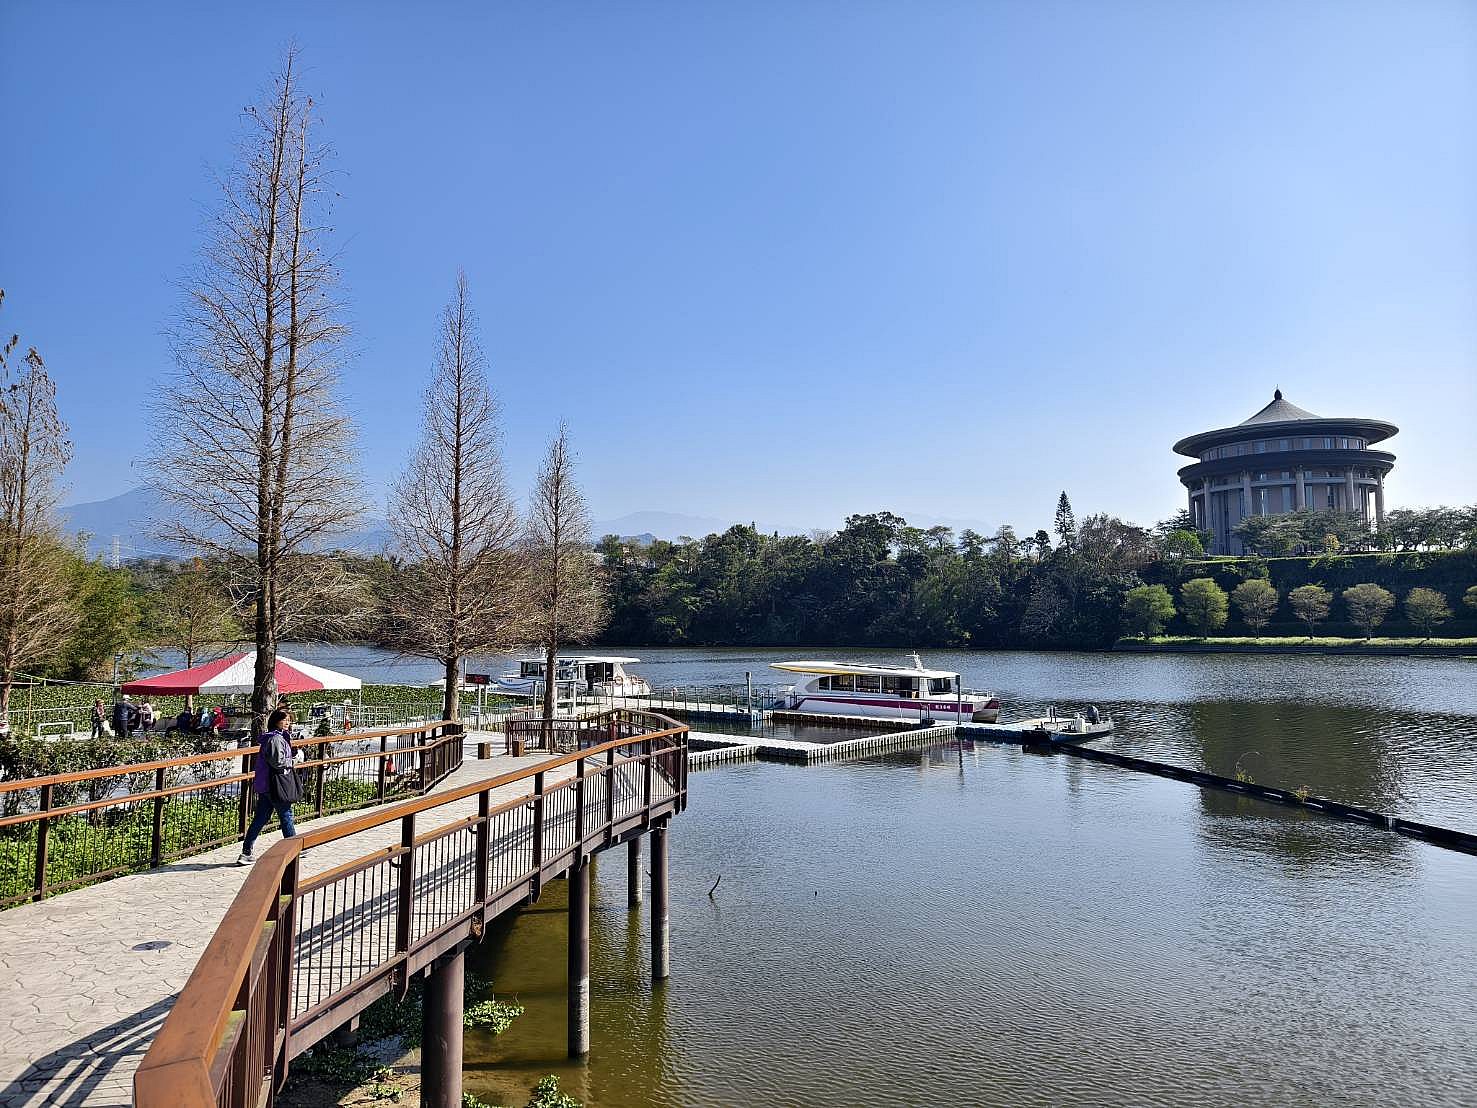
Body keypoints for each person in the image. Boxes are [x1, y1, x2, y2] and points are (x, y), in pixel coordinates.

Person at [238, 709, 302, 865]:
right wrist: (294, 760)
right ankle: (293, 848)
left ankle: (246, 852)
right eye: (285, 720)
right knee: (286, 815)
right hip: (274, 783)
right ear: (276, 721)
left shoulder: (274, 738)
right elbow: (278, 762)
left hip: (266, 784)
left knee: (261, 818)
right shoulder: (275, 739)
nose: (288, 723)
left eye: (289, 720)